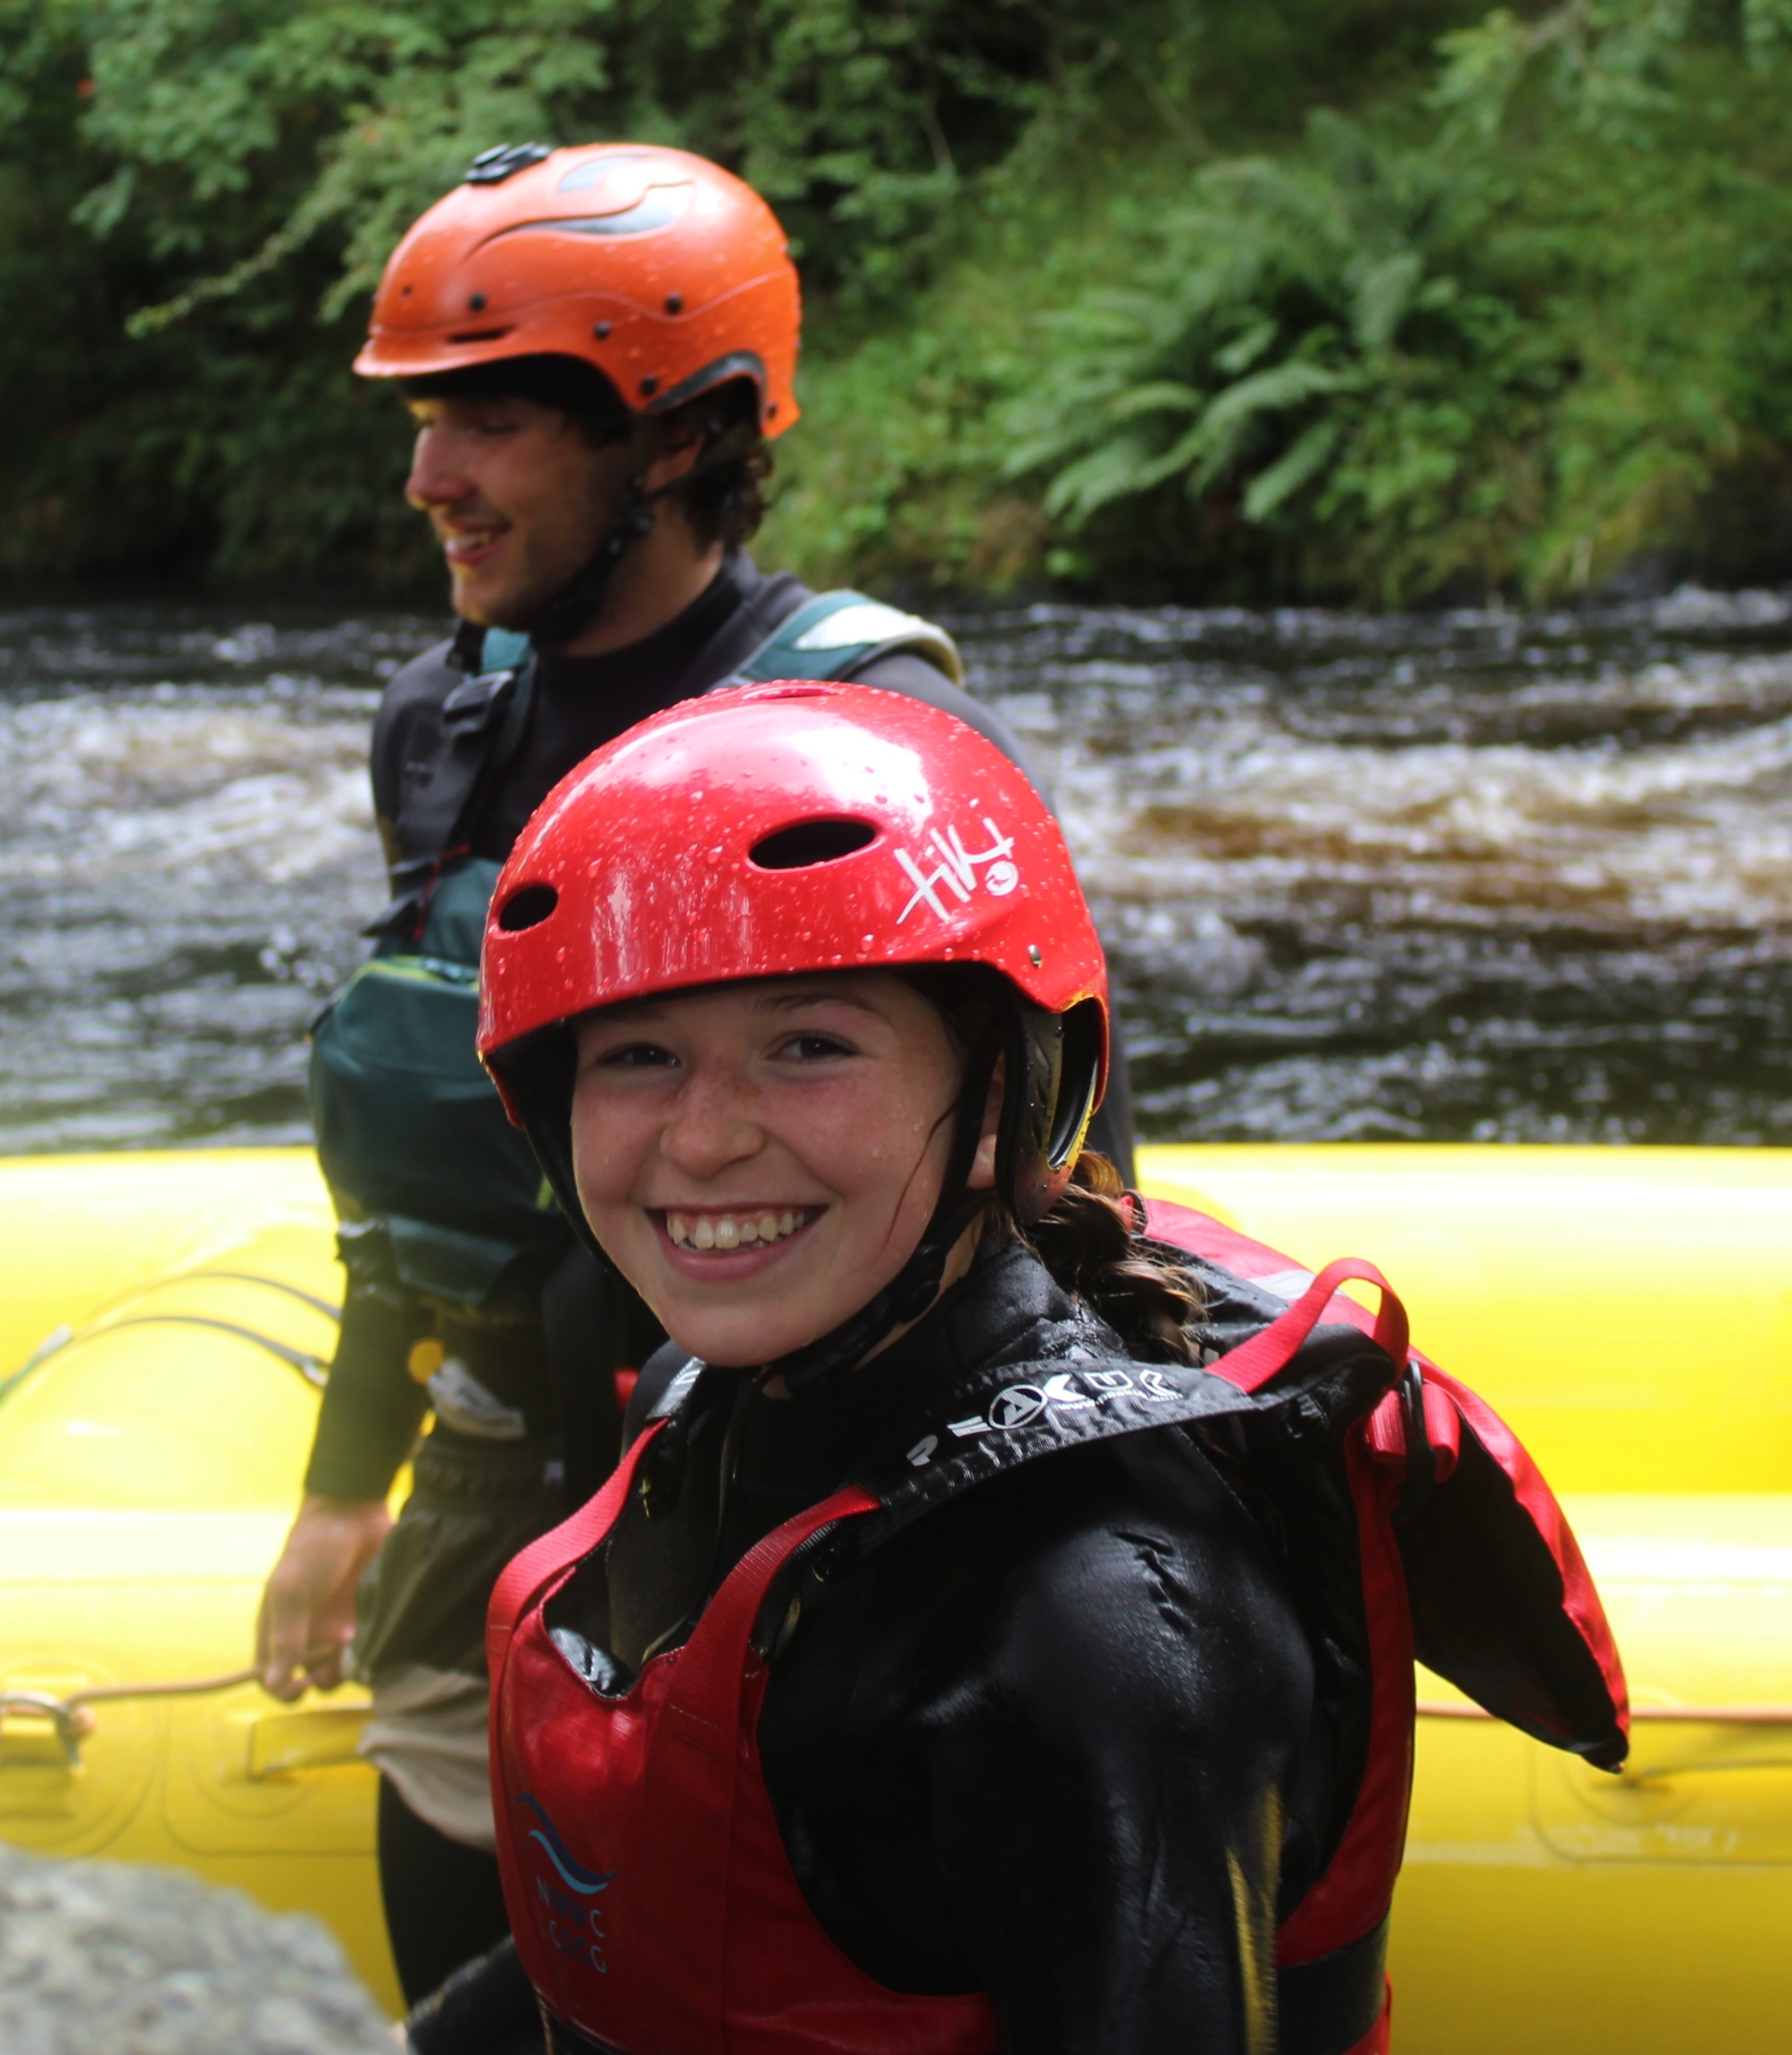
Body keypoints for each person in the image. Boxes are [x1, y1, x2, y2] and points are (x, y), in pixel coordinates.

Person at [254, 140, 1130, 2009]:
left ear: (679, 434)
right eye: (420, 418)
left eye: (491, 415)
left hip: (816, 1514)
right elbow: (432, 1160)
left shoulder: (879, 736)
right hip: (512, 1498)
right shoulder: (441, 725)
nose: (430, 476)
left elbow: (1063, 1182)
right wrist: (345, 1489)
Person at [464, 681, 1630, 2055]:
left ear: (1005, 1095)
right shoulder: (704, 1401)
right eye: (640, 1056)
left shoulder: (1098, 1623)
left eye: (809, 1045)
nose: (706, 1139)